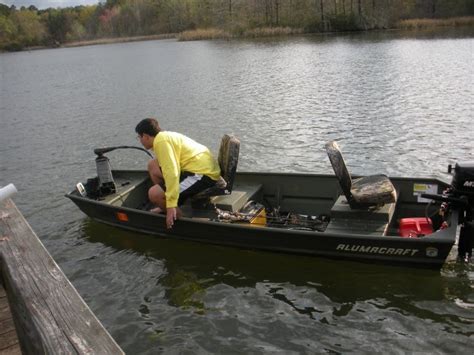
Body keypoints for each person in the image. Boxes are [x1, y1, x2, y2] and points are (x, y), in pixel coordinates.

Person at [135, 118, 221, 229]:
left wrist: (170, 205)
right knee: (153, 166)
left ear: (145, 136)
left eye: (139, 137)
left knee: (154, 194)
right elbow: (170, 169)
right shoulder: (163, 137)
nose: (139, 140)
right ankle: (166, 203)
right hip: (197, 167)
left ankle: (179, 218)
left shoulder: (161, 142)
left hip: (202, 174)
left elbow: (172, 173)